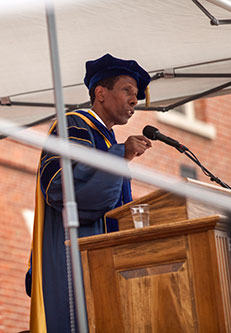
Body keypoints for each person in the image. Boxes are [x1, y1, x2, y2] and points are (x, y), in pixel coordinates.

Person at [25, 53, 153, 332]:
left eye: (136, 94)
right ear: (100, 93)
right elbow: (67, 190)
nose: (134, 100)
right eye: (127, 90)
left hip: (101, 262)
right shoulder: (74, 125)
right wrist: (121, 155)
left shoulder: (106, 139)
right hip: (75, 261)